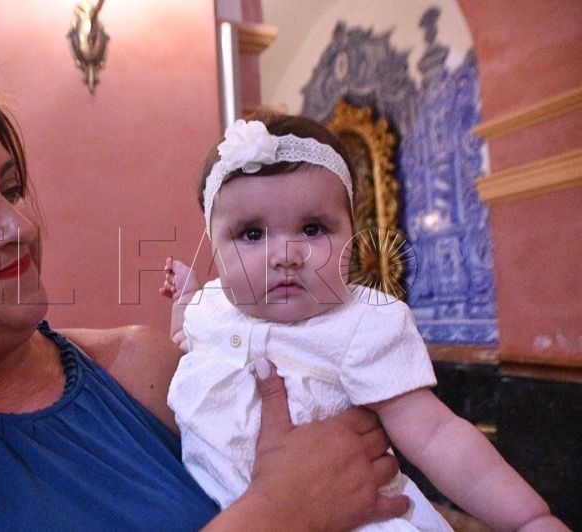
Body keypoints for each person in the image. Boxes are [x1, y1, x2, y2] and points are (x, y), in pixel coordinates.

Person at [0, 67, 411, 531]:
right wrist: (279, 513)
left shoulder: (143, 366)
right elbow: (300, 494)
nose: (19, 226)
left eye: (12, 188)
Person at [160, 115, 569, 531]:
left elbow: (437, 435)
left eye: (312, 229)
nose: (285, 255)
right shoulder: (212, 308)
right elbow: (186, 341)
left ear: (352, 235)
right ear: (213, 244)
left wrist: (528, 518)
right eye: (252, 234)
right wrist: (188, 299)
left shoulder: (360, 325)